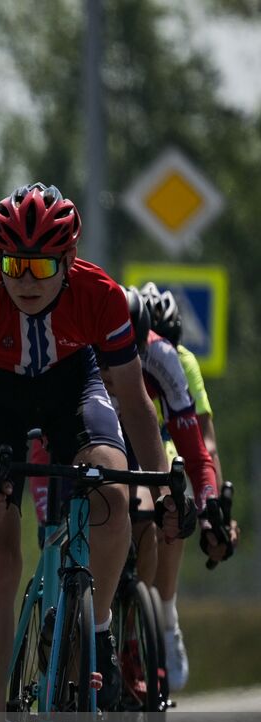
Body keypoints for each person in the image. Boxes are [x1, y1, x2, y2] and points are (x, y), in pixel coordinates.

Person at [0, 184, 185, 722]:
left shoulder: (98, 294)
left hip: (73, 388)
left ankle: (93, 629)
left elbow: (132, 402)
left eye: (41, 266)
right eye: (13, 264)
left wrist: (153, 482)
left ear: (68, 261)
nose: (26, 279)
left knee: (112, 492)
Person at [139, 282, 237, 688]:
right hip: (129, 438)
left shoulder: (181, 361)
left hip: (170, 443)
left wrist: (212, 508)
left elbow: (205, 443)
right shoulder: (119, 356)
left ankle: (165, 616)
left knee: (174, 481)